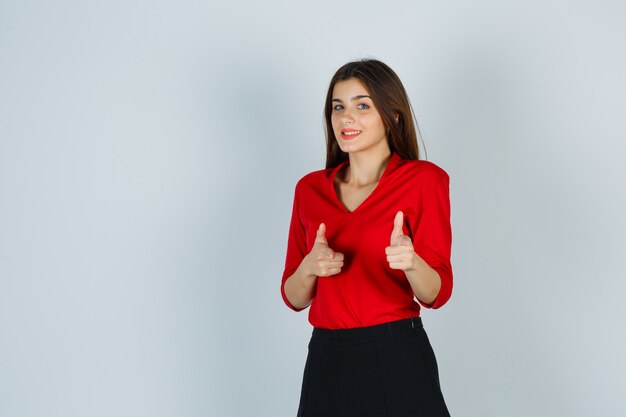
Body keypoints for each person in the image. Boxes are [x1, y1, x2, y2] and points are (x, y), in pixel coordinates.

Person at [280, 58, 453, 417]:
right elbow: (293, 297)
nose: (346, 118)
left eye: (362, 106)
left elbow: (436, 294)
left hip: (397, 355)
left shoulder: (425, 180)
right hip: (327, 357)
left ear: (392, 115)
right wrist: (309, 268)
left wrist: (412, 262)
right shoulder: (310, 189)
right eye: (338, 107)